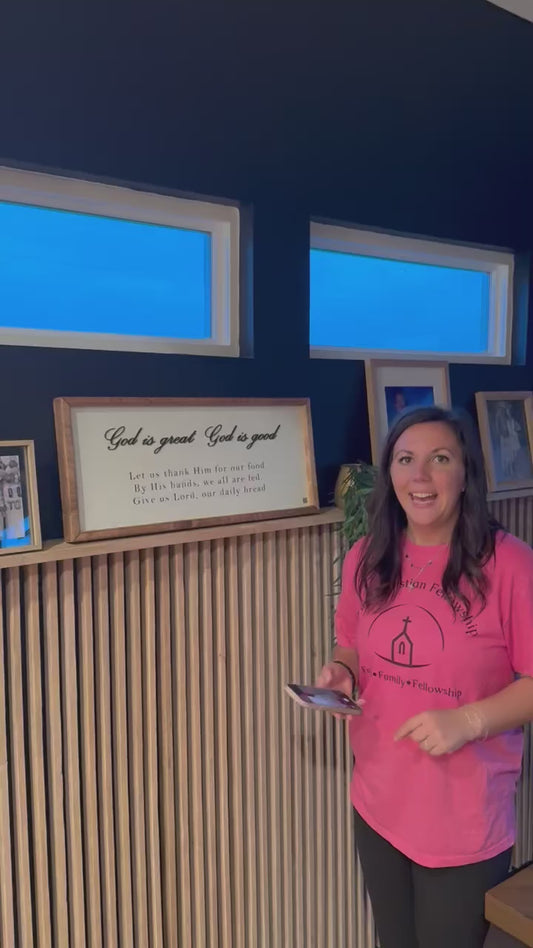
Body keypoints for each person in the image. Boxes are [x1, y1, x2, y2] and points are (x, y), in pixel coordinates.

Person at [317, 405, 533, 948]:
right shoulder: (367, 556)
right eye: (404, 460)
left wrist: (470, 720)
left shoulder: (511, 564)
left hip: (462, 819)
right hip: (378, 801)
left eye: (439, 459)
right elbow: (350, 644)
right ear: (389, 473)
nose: (420, 476)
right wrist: (342, 672)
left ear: (465, 474)